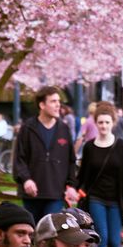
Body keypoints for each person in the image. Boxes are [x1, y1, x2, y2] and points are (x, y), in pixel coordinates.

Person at [76, 100, 123, 247]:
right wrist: (74, 189)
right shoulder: (90, 147)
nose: (103, 126)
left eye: (107, 122)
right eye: (100, 122)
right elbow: (83, 174)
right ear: (95, 123)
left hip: (115, 199)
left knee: (114, 241)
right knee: (100, 236)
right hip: (95, 197)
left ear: (113, 123)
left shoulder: (121, 146)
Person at [12, 86, 79, 221]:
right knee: (33, 232)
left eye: (58, 101)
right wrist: (26, 179)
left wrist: (71, 185)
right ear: (42, 105)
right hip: (32, 193)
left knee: (49, 231)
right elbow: (19, 158)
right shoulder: (28, 128)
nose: (58, 105)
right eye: (53, 101)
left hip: (56, 193)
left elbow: (71, 160)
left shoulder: (64, 129)